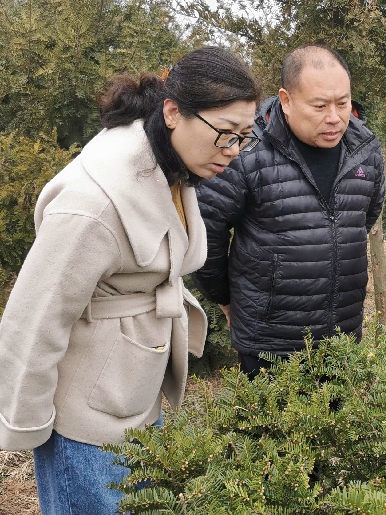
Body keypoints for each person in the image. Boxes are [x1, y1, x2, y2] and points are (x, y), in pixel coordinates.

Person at [0, 47, 262, 514]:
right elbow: (33, 318)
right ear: (173, 112)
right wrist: (27, 424)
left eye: (245, 137)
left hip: (133, 390)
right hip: (85, 420)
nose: (234, 152)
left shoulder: (170, 165)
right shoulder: (93, 204)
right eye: (225, 135)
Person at [191, 44, 385, 378]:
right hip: (270, 342)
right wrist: (226, 299)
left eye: (343, 103)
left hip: (341, 339)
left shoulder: (364, 149)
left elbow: (363, 219)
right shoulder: (246, 151)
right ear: (286, 100)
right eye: (320, 105)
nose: (335, 117)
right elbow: (205, 234)